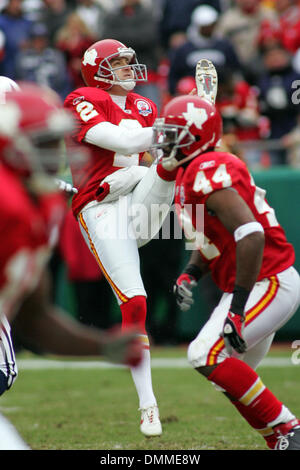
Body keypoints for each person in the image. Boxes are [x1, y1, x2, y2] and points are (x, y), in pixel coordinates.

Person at [0, 78, 143, 450]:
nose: (57, 152)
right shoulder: (7, 203)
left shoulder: (40, 204)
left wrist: (101, 346)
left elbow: (34, 315)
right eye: (44, 142)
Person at [152, 92, 300, 450]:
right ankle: (278, 441)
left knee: (204, 354)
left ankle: (290, 430)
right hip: (255, 283)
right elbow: (210, 242)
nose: (164, 142)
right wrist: (191, 272)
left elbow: (250, 233)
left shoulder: (206, 169)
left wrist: (236, 309)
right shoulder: (193, 173)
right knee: (226, 375)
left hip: (268, 281)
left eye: (173, 134)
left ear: (195, 138)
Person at [63, 37, 181, 437]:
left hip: (138, 202)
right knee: (136, 304)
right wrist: (174, 127)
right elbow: (128, 141)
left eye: (131, 62)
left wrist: (189, 135)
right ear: (98, 70)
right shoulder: (81, 98)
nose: (131, 69)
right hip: (103, 209)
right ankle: (148, 406)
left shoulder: (145, 106)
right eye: (120, 63)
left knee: (168, 166)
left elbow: (156, 153)